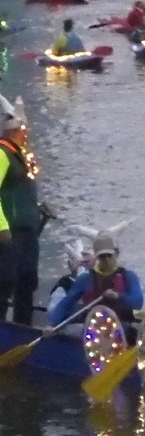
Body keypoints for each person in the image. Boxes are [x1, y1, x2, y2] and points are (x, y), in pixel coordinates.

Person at [0, 97, 54, 326]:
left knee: (27, 280)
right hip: (10, 233)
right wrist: (2, 228)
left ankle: (23, 327)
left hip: (27, 230)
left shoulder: (20, 156)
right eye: (24, 129)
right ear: (15, 130)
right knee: (5, 282)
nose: (27, 133)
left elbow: (19, 191)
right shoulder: (2, 154)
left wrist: (39, 206)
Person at [47, 232, 144, 332]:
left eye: (109, 255)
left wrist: (118, 296)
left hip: (122, 317)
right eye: (102, 256)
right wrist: (52, 324)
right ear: (97, 257)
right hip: (93, 320)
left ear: (116, 254)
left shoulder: (128, 276)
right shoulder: (85, 278)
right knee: (56, 312)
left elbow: (137, 303)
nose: (106, 260)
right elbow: (67, 302)